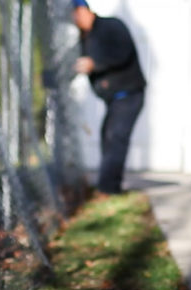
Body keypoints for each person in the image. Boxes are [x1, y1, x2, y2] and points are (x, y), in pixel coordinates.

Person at [72, 0, 146, 195]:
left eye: (76, 14)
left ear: (83, 10)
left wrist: (95, 64)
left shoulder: (111, 26)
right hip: (114, 99)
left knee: (116, 137)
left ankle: (108, 188)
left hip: (129, 94)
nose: (74, 20)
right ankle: (109, 185)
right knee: (108, 136)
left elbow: (123, 53)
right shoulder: (86, 38)